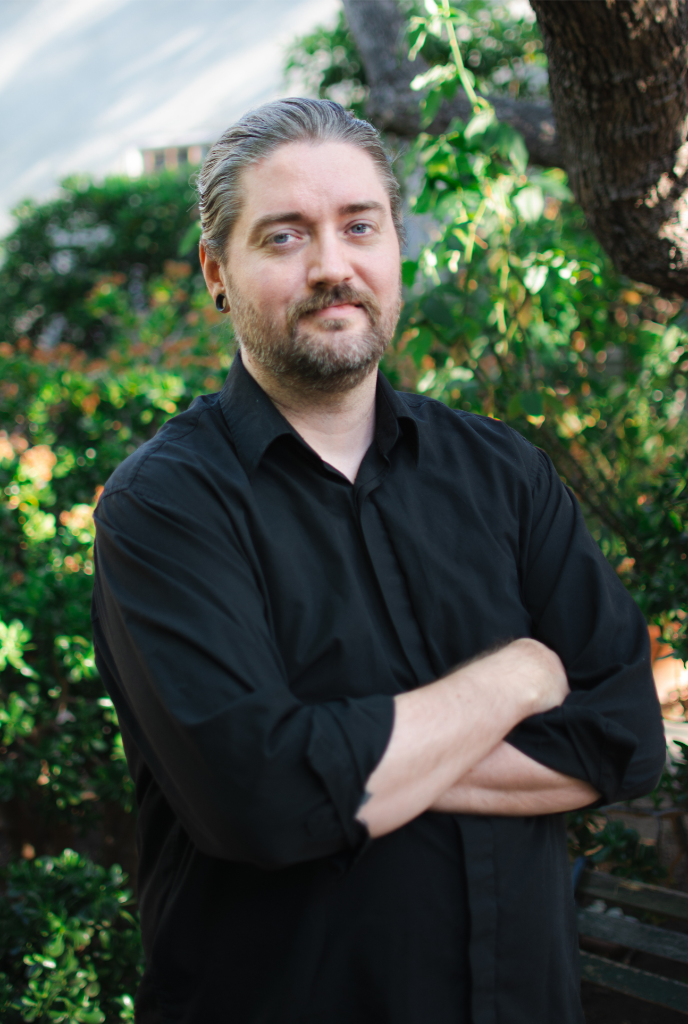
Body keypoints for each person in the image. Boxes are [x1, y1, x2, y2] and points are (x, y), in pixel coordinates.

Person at [92, 98, 665, 1024]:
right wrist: (517, 678)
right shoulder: (166, 506)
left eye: (360, 226)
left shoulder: (504, 472)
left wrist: (339, 759)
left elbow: (626, 737)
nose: (332, 266)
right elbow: (261, 801)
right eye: (283, 237)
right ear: (216, 273)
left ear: (396, 245)